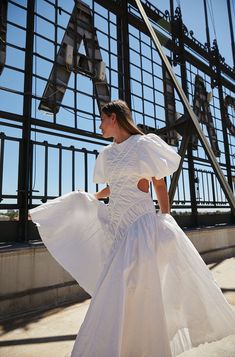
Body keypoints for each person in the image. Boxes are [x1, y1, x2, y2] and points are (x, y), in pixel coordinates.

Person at [30, 100, 235, 357]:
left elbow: (158, 185)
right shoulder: (106, 154)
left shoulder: (143, 145)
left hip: (139, 227)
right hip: (117, 229)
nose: (100, 124)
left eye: (103, 119)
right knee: (123, 290)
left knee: (135, 287)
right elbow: (112, 187)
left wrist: (166, 217)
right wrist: (92, 197)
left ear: (114, 118)